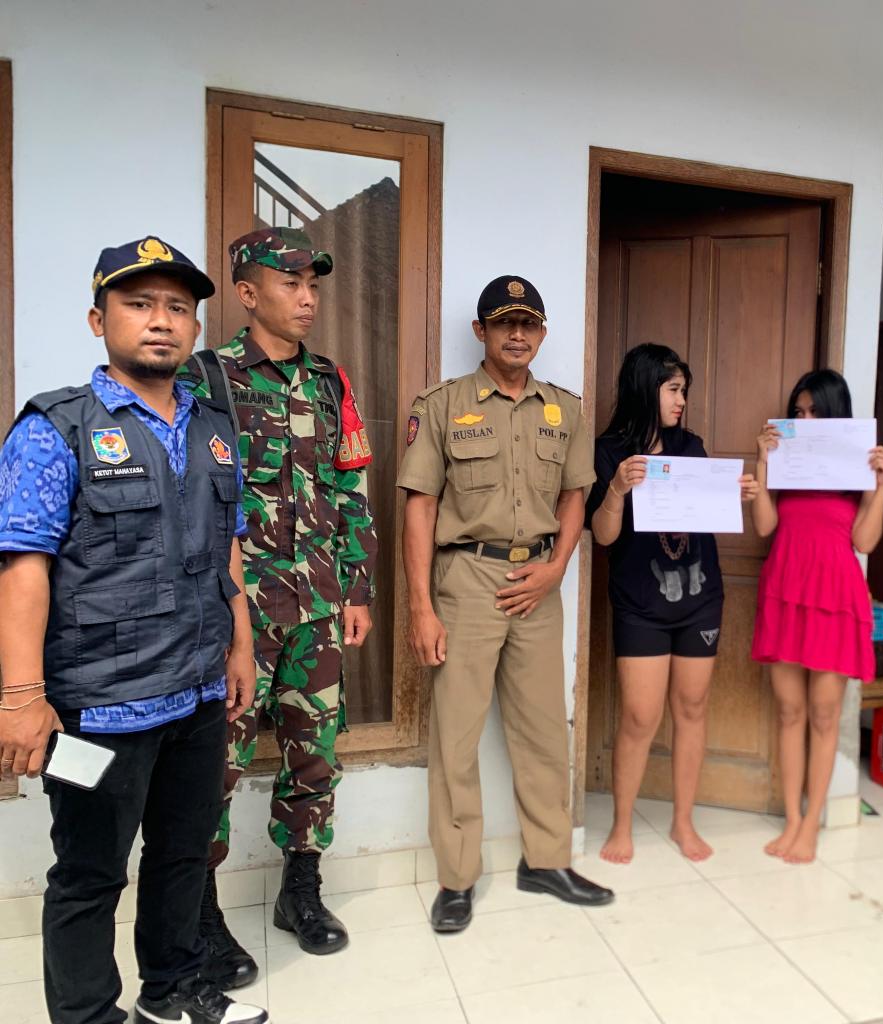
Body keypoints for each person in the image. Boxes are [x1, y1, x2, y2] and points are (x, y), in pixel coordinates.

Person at [0, 237, 268, 1024]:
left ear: (195, 327)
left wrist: (240, 646)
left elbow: (229, 547)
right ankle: (88, 1016)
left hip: (196, 694)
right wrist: (21, 696)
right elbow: (22, 568)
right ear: (99, 320)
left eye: (178, 308)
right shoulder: (55, 429)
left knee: (183, 853)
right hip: (98, 708)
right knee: (89, 873)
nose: (161, 321)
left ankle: (172, 991)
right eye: (140, 304)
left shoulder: (213, 427)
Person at [180, 227, 378, 983]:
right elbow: (189, 496)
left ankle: (301, 890)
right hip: (237, 613)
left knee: (314, 754)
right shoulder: (207, 377)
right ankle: (200, 912)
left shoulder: (329, 381)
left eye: (313, 285)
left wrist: (356, 588)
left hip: (318, 605)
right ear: (247, 292)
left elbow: (348, 488)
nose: (306, 297)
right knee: (216, 763)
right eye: (290, 282)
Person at [399, 275, 614, 934]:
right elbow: (420, 506)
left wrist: (557, 569)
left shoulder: (565, 410)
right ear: (481, 332)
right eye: (503, 323)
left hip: (537, 583)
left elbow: (576, 495)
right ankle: (457, 878)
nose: (517, 335)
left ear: (542, 333)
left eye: (528, 324)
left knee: (545, 730)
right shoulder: (442, 405)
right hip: (466, 580)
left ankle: (546, 861)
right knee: (457, 735)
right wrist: (421, 607)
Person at [585, 343, 758, 864]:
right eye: (673, 390)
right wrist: (617, 488)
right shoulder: (610, 451)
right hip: (639, 602)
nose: (682, 400)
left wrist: (733, 495)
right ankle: (621, 825)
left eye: (684, 390)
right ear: (646, 388)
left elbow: (701, 511)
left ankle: (684, 822)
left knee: (692, 708)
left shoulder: (691, 446)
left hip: (700, 596)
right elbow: (603, 536)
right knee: (640, 717)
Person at [750, 369, 883, 863]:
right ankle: (792, 818)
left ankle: (812, 822)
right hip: (786, 588)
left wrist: (881, 486)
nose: (805, 420)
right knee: (789, 712)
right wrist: (762, 463)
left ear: (835, 415)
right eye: (799, 411)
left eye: (815, 411)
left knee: (824, 714)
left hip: (835, 595)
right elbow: (765, 525)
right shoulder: (785, 461)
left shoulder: (857, 464)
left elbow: (864, 541)